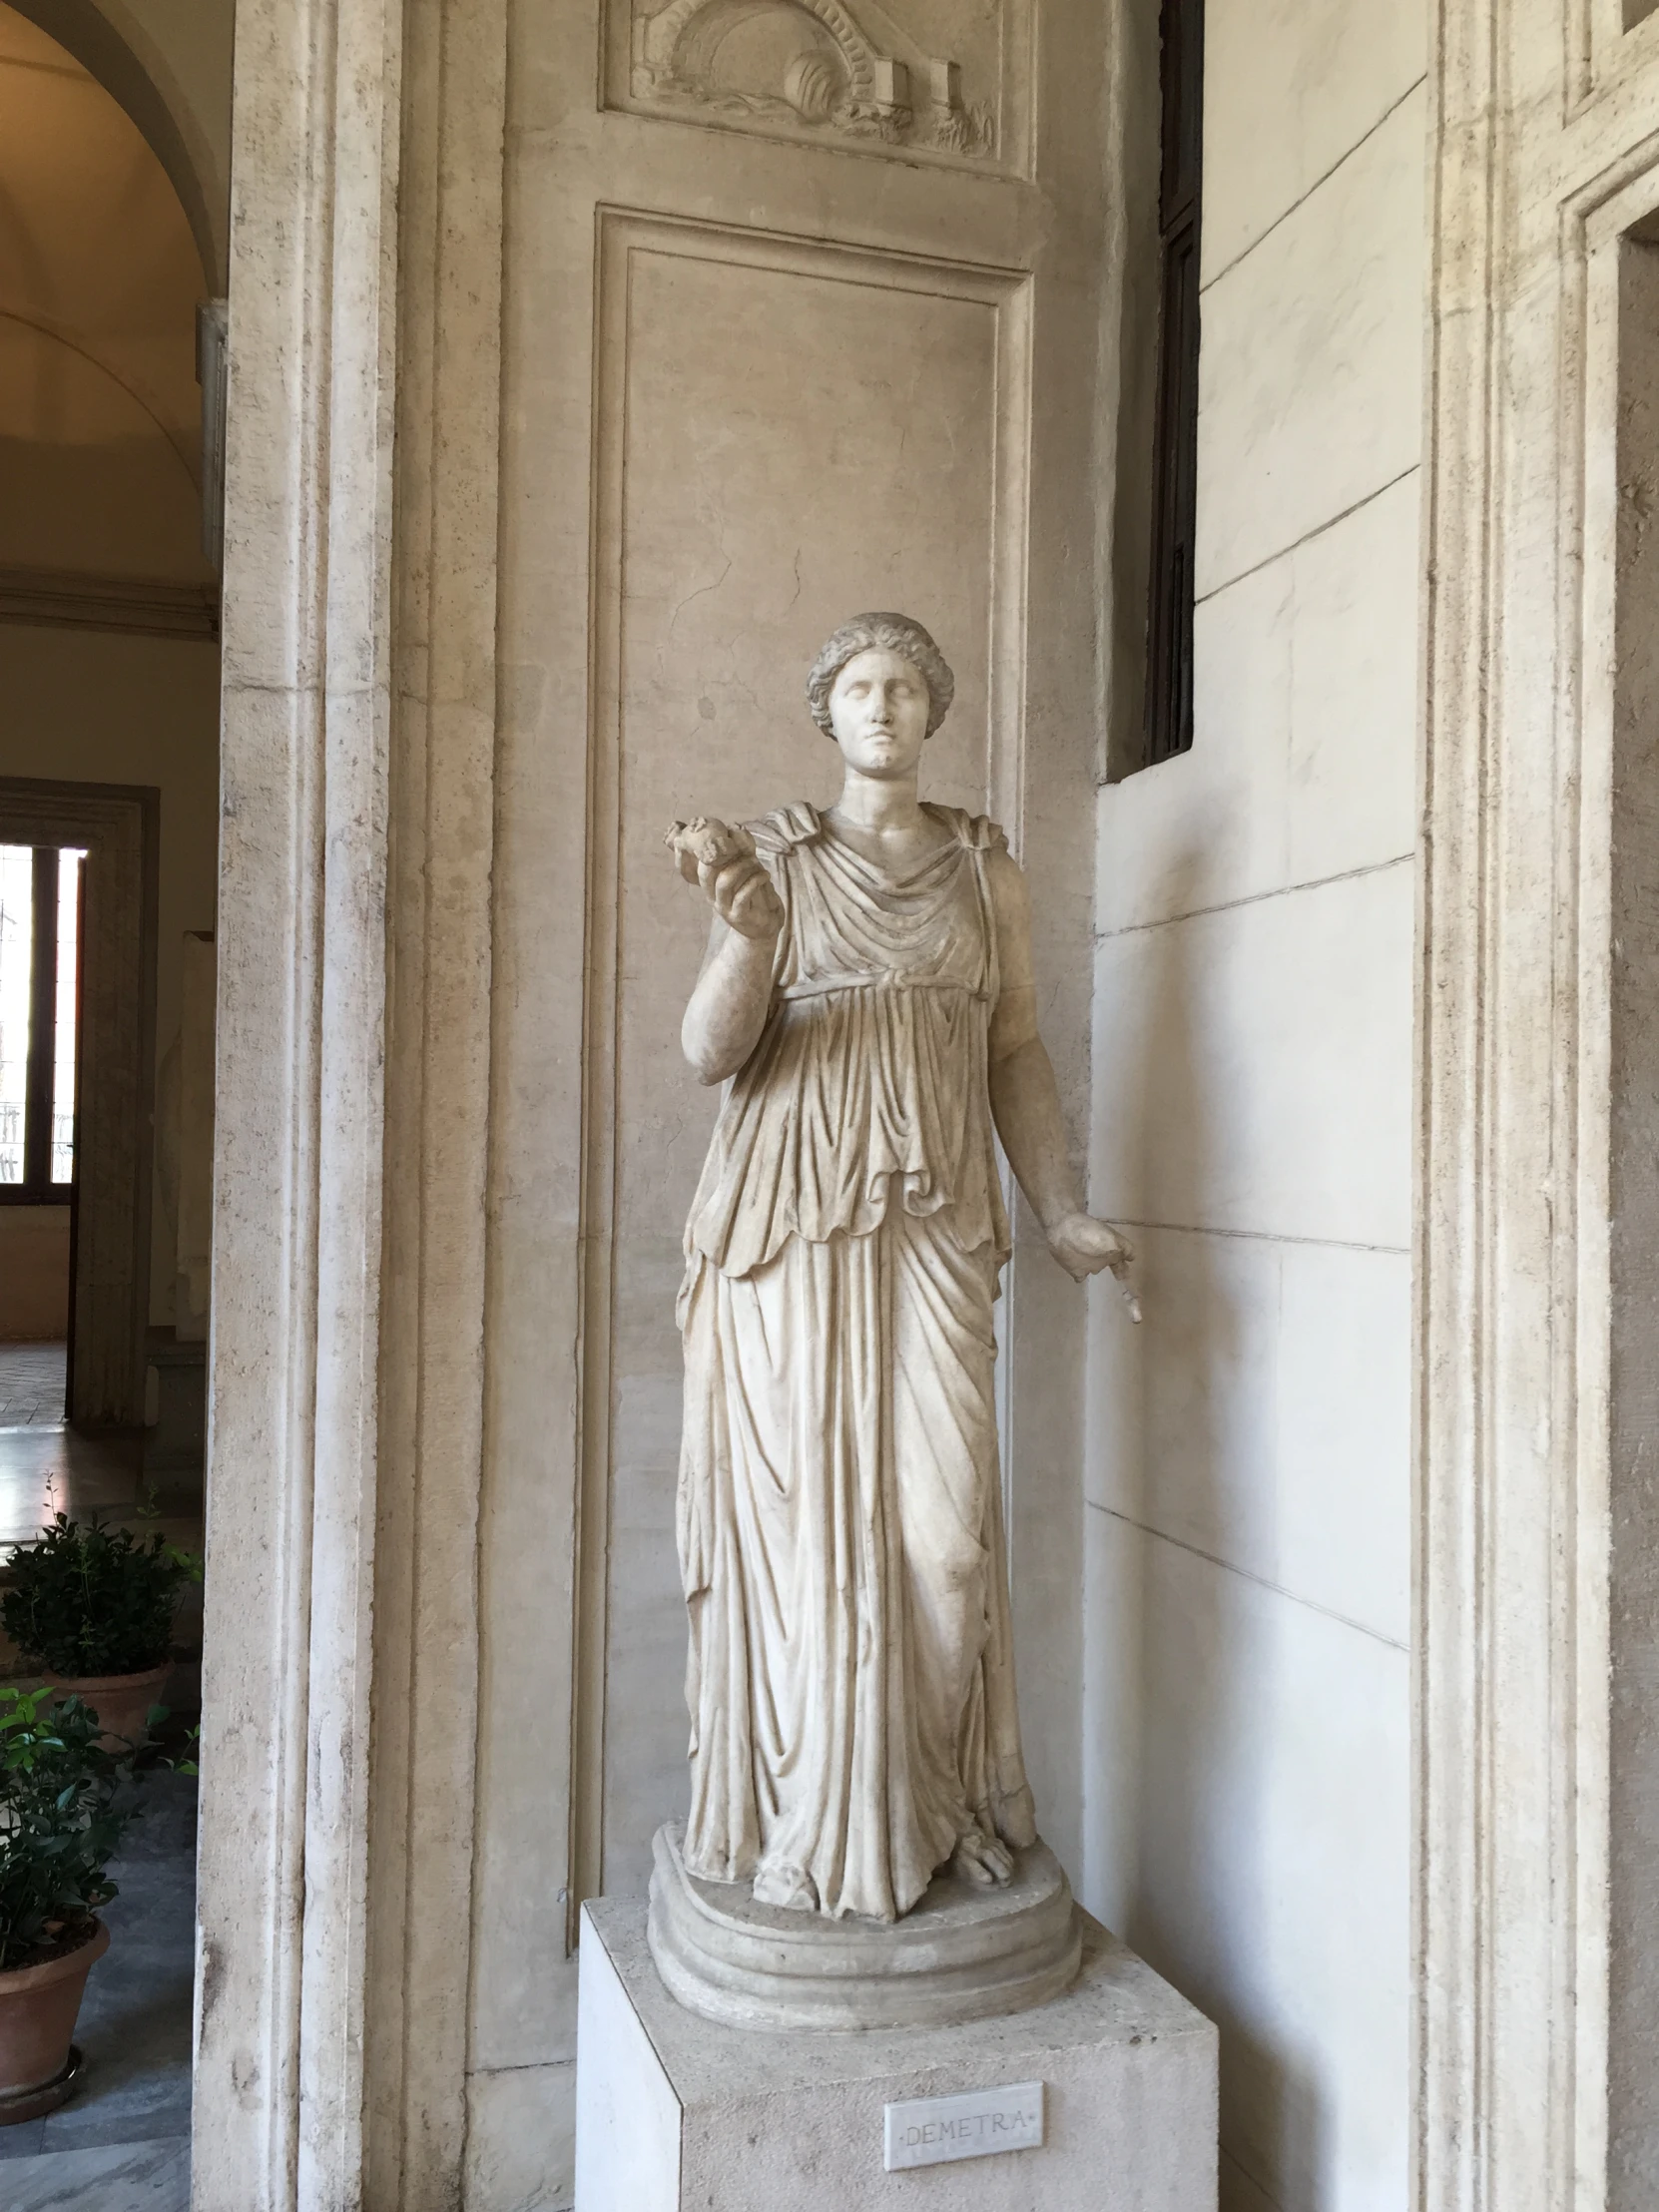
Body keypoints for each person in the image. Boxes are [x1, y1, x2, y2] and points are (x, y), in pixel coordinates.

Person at [667, 612, 1132, 1925]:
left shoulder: (986, 871)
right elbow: (710, 1051)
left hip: (934, 1221)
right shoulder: (776, 858)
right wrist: (751, 929)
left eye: (905, 688)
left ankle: (934, 1808)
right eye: (859, 688)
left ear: (933, 713)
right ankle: (809, 1829)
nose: (882, 707)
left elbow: (1018, 1053)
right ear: (827, 713)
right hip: (788, 1230)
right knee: (807, 1543)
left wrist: (1060, 1210)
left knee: (941, 1544)